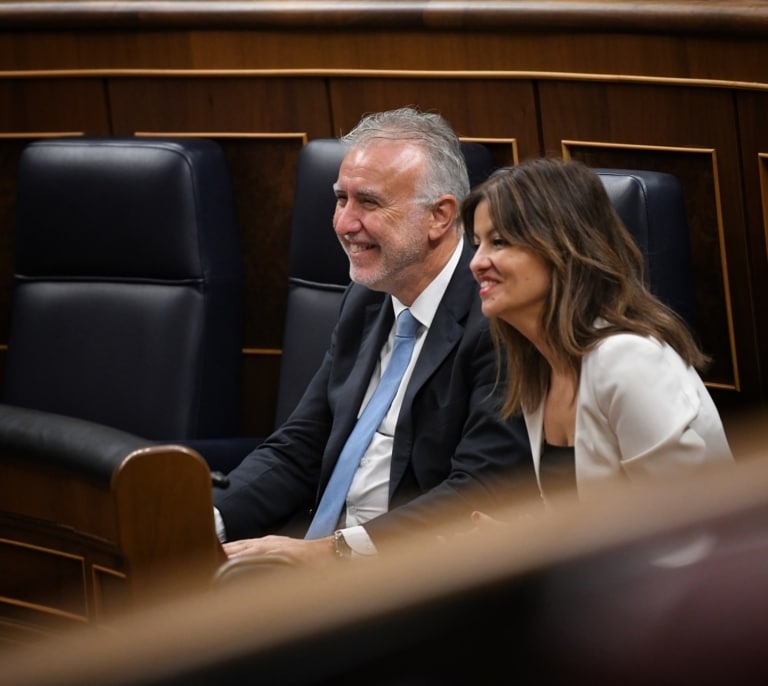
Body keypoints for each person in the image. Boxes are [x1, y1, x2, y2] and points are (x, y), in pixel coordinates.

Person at [215, 106, 534, 564]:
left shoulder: (498, 318)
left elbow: (478, 492)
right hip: (308, 554)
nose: (344, 224)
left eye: (368, 202)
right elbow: (301, 446)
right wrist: (206, 520)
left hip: (408, 574)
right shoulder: (366, 297)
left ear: (440, 216)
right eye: (340, 199)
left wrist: (332, 552)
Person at [461, 156, 733, 506]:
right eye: (477, 244)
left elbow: (690, 519)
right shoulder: (537, 364)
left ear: (562, 246)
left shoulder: (628, 360)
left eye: (499, 241)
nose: (476, 262)